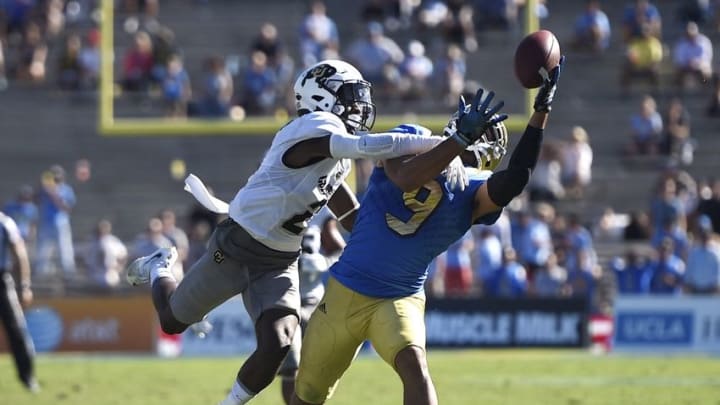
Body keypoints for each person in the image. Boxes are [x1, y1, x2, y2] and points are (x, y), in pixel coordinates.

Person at [125, 59, 494, 405]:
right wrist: (451, 145)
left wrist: (387, 244)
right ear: (321, 96)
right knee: (173, 321)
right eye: (350, 96)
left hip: (280, 258)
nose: (359, 106)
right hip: (238, 243)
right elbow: (366, 147)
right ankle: (160, 266)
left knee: (279, 341)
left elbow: (351, 214)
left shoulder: (337, 152)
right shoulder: (315, 126)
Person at [290, 57, 564, 405]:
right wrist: (456, 144)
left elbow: (517, 177)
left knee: (414, 366)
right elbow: (405, 176)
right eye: (473, 128)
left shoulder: (475, 192)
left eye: (481, 133)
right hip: (345, 289)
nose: (474, 135)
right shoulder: (412, 137)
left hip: (398, 296)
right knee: (307, 396)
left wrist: (540, 112)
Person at [279, 227, 330, 404]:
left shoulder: (323, 216)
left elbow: (341, 249)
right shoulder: (279, 215)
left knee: (317, 367)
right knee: (290, 367)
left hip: (316, 303)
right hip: (287, 303)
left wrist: (322, 260)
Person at [0, 211, 39, 392]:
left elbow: (20, 254)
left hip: (1, 280)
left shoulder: (5, 223)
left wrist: (24, 286)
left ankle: (28, 377)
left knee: (16, 329)